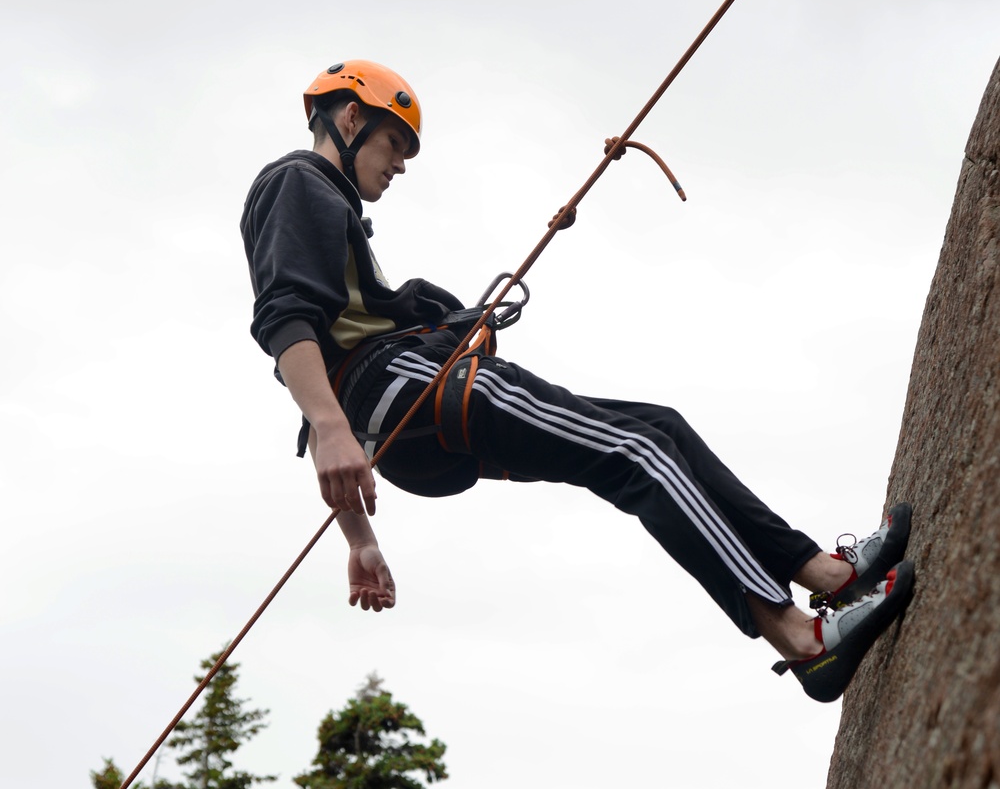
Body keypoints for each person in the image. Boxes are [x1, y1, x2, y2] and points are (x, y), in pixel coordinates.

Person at [240, 60, 914, 703]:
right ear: (350, 118)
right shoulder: (298, 181)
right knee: (637, 455)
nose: (398, 165)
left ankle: (826, 575)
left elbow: (322, 372)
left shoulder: (329, 210)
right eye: (394, 143)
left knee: (657, 428)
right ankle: (801, 640)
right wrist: (332, 429)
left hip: (401, 399)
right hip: (405, 387)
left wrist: (360, 537)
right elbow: (286, 319)